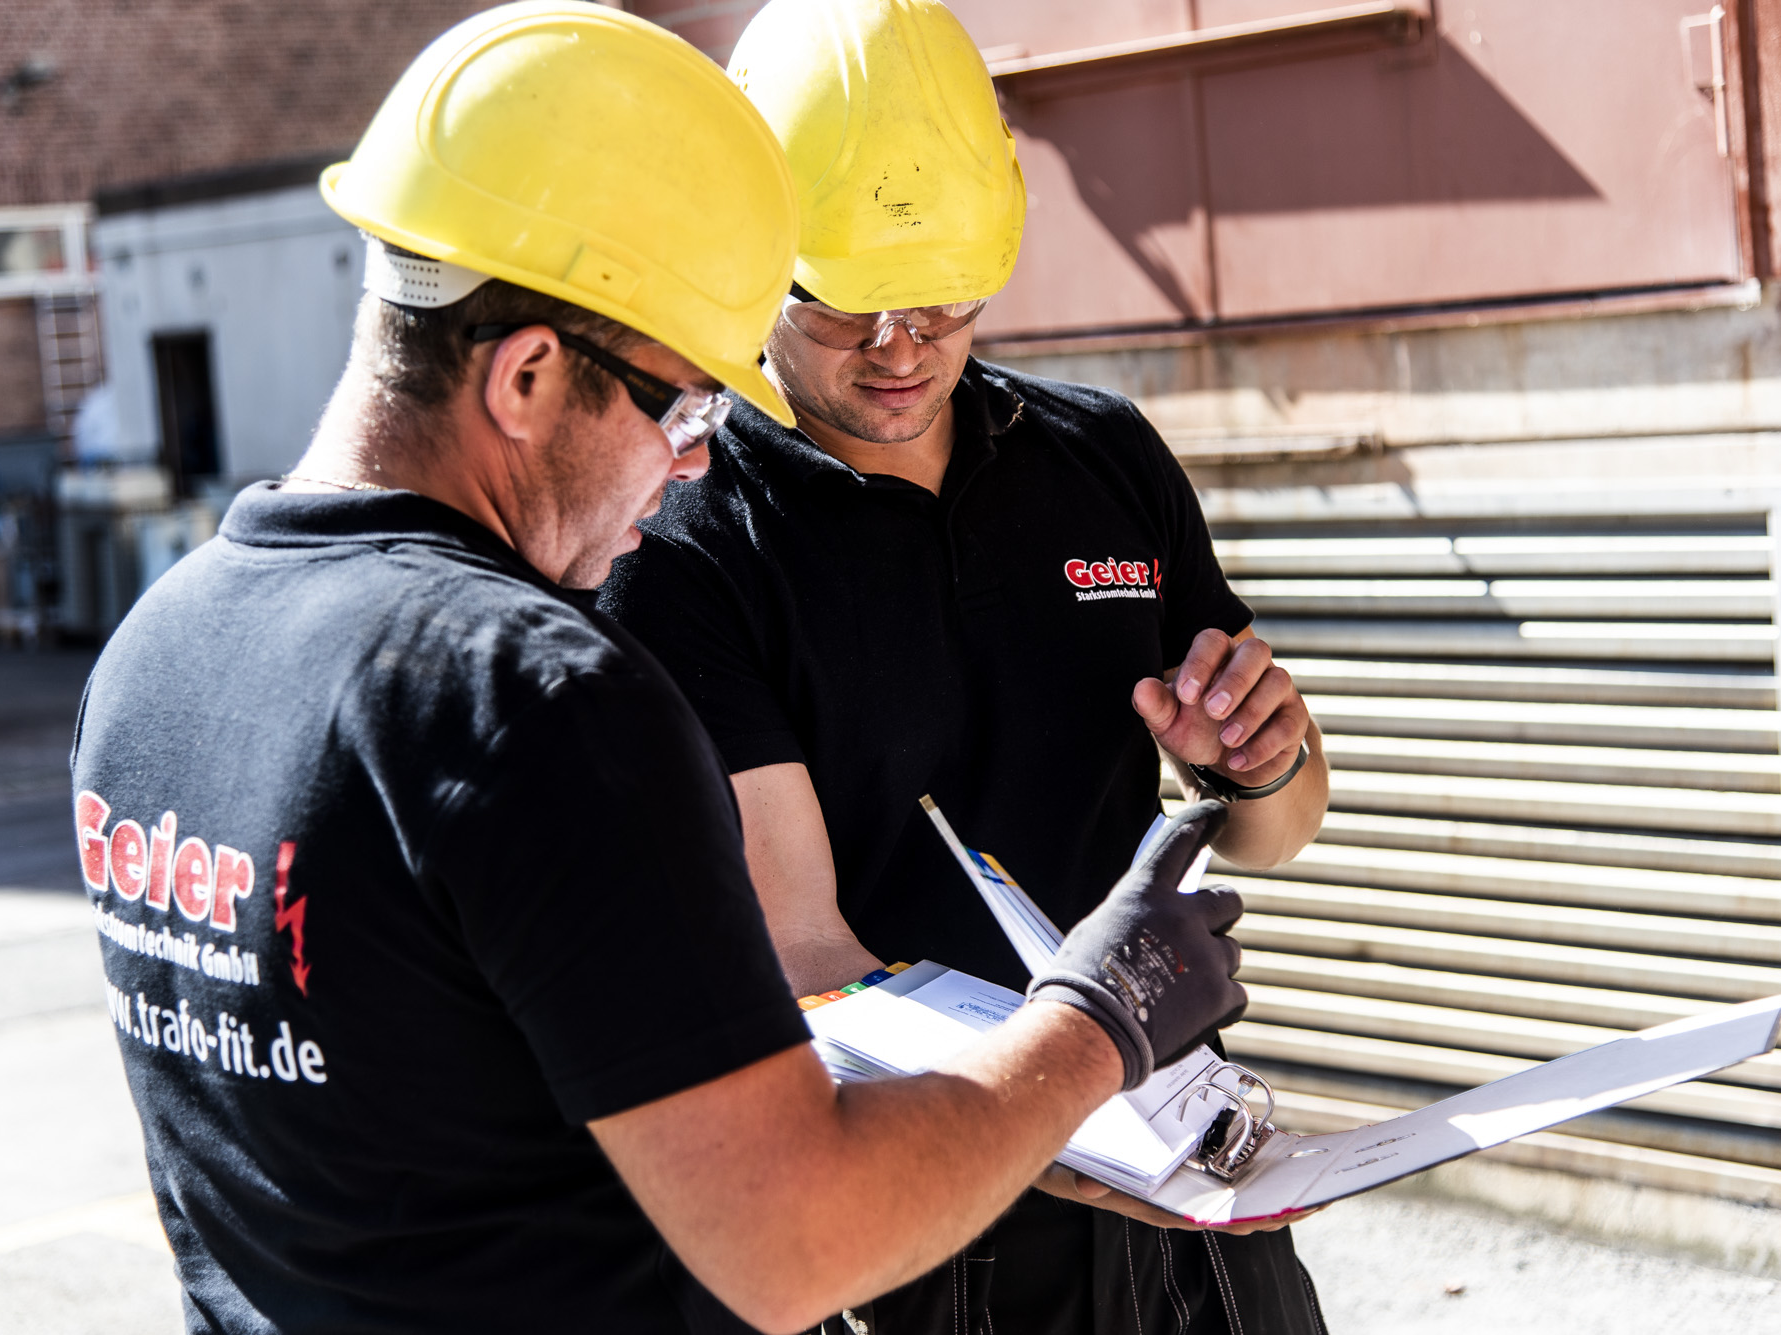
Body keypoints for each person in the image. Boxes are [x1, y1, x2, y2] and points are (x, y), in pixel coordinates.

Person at [68, 7, 1265, 1332]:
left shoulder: (153, 656)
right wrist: (1101, 1022)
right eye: (679, 403)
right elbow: (798, 1240)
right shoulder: (532, 705)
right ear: (526, 375)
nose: (695, 459)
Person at [597, 1, 1334, 1331]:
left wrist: (1265, 759)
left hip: (1183, 1172)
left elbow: (1277, 833)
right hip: (931, 1222)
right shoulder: (691, 538)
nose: (898, 346)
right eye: (846, 304)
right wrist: (1061, 1090)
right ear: (756, 254)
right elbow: (810, 953)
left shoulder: (1100, 456)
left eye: (937, 296)